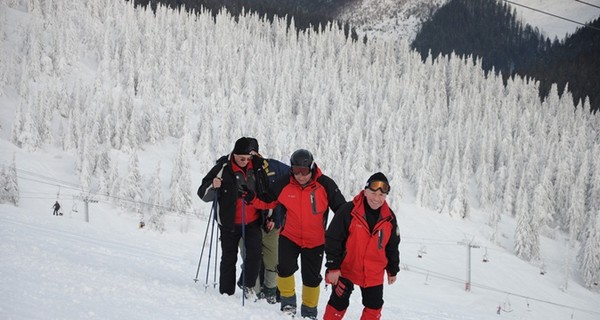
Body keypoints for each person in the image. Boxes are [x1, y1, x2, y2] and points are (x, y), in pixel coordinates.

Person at [249, 149, 346, 319]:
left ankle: (309, 311)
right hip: (289, 236)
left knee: (311, 278)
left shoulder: (325, 184)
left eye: (304, 171)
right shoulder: (284, 182)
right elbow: (267, 200)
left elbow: (342, 211)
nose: (300, 176)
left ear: (312, 167)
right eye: (296, 171)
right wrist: (251, 197)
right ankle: (288, 303)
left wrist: (341, 233)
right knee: (284, 269)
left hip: (315, 240)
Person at [322, 172, 401, 320]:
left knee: (374, 307)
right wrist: (333, 266)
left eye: (381, 195)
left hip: (373, 273)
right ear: (365, 191)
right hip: (347, 268)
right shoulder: (348, 211)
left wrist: (393, 269)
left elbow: (392, 245)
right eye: (373, 193)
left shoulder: (389, 218)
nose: (376, 199)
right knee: (338, 303)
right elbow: (333, 238)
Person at [197, 137, 263, 299]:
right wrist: (213, 185)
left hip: (253, 221)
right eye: (242, 158)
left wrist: (268, 215)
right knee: (228, 258)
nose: (245, 161)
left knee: (255, 255)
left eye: (248, 158)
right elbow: (202, 194)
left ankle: (246, 284)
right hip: (228, 223)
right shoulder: (222, 168)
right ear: (234, 154)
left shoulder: (256, 168)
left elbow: (265, 192)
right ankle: (226, 293)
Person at [236, 138, 290, 304]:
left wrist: (275, 217)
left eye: (252, 155)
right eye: (246, 156)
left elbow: (285, 191)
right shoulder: (236, 170)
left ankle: (270, 292)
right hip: (247, 223)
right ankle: (254, 291)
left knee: (272, 260)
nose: (249, 159)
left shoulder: (274, 167)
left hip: (271, 224)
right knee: (251, 257)